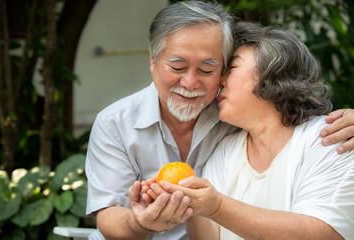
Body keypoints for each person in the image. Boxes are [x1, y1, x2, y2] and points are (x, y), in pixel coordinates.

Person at [85, 1, 354, 240]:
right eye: (177, 67)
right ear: (153, 62)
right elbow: (108, 216)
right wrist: (144, 220)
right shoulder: (114, 123)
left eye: (209, 69)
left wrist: (210, 205)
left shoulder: (324, 139)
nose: (190, 83)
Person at [152, 22, 354, 239]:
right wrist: (188, 201)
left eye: (233, 68)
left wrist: (216, 206)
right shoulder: (227, 149)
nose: (220, 80)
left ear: (272, 75)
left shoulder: (331, 137)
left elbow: (321, 234)